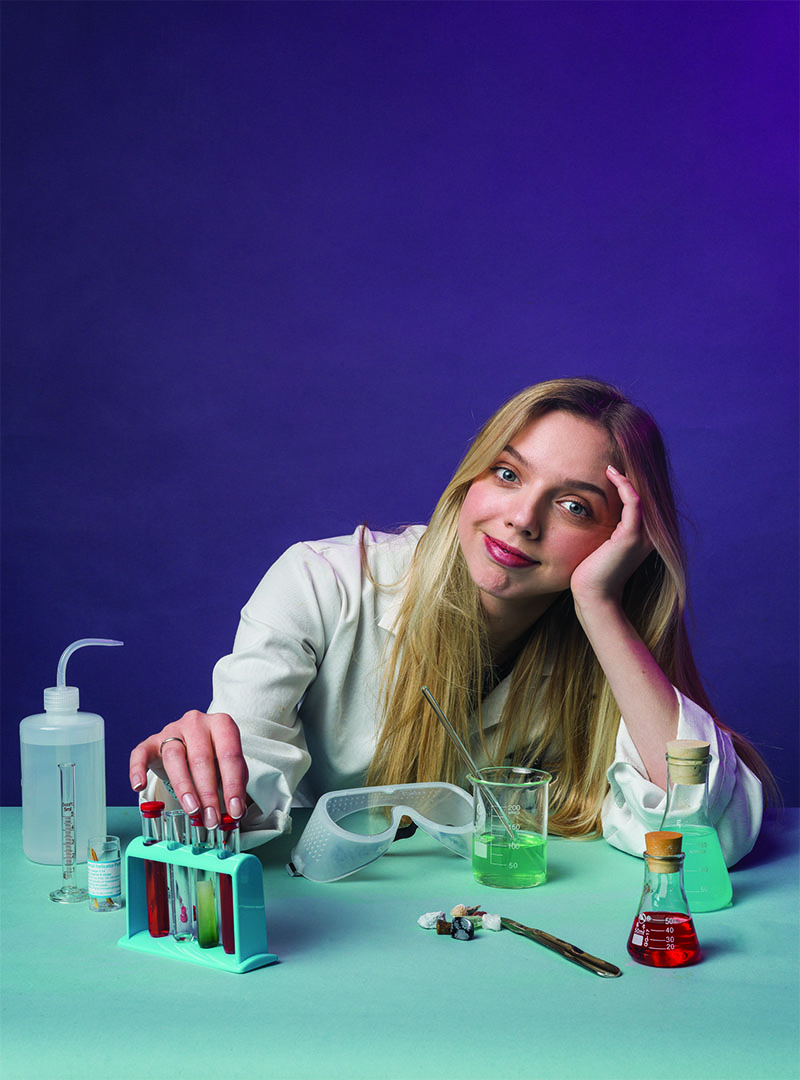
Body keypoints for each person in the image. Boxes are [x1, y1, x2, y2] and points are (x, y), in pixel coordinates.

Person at [130, 377, 771, 864]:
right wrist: (201, 775)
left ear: (623, 538)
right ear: (471, 480)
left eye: (575, 505)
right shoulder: (321, 584)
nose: (523, 518)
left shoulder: (601, 647)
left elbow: (704, 835)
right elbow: (244, 804)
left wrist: (601, 607)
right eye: (508, 474)